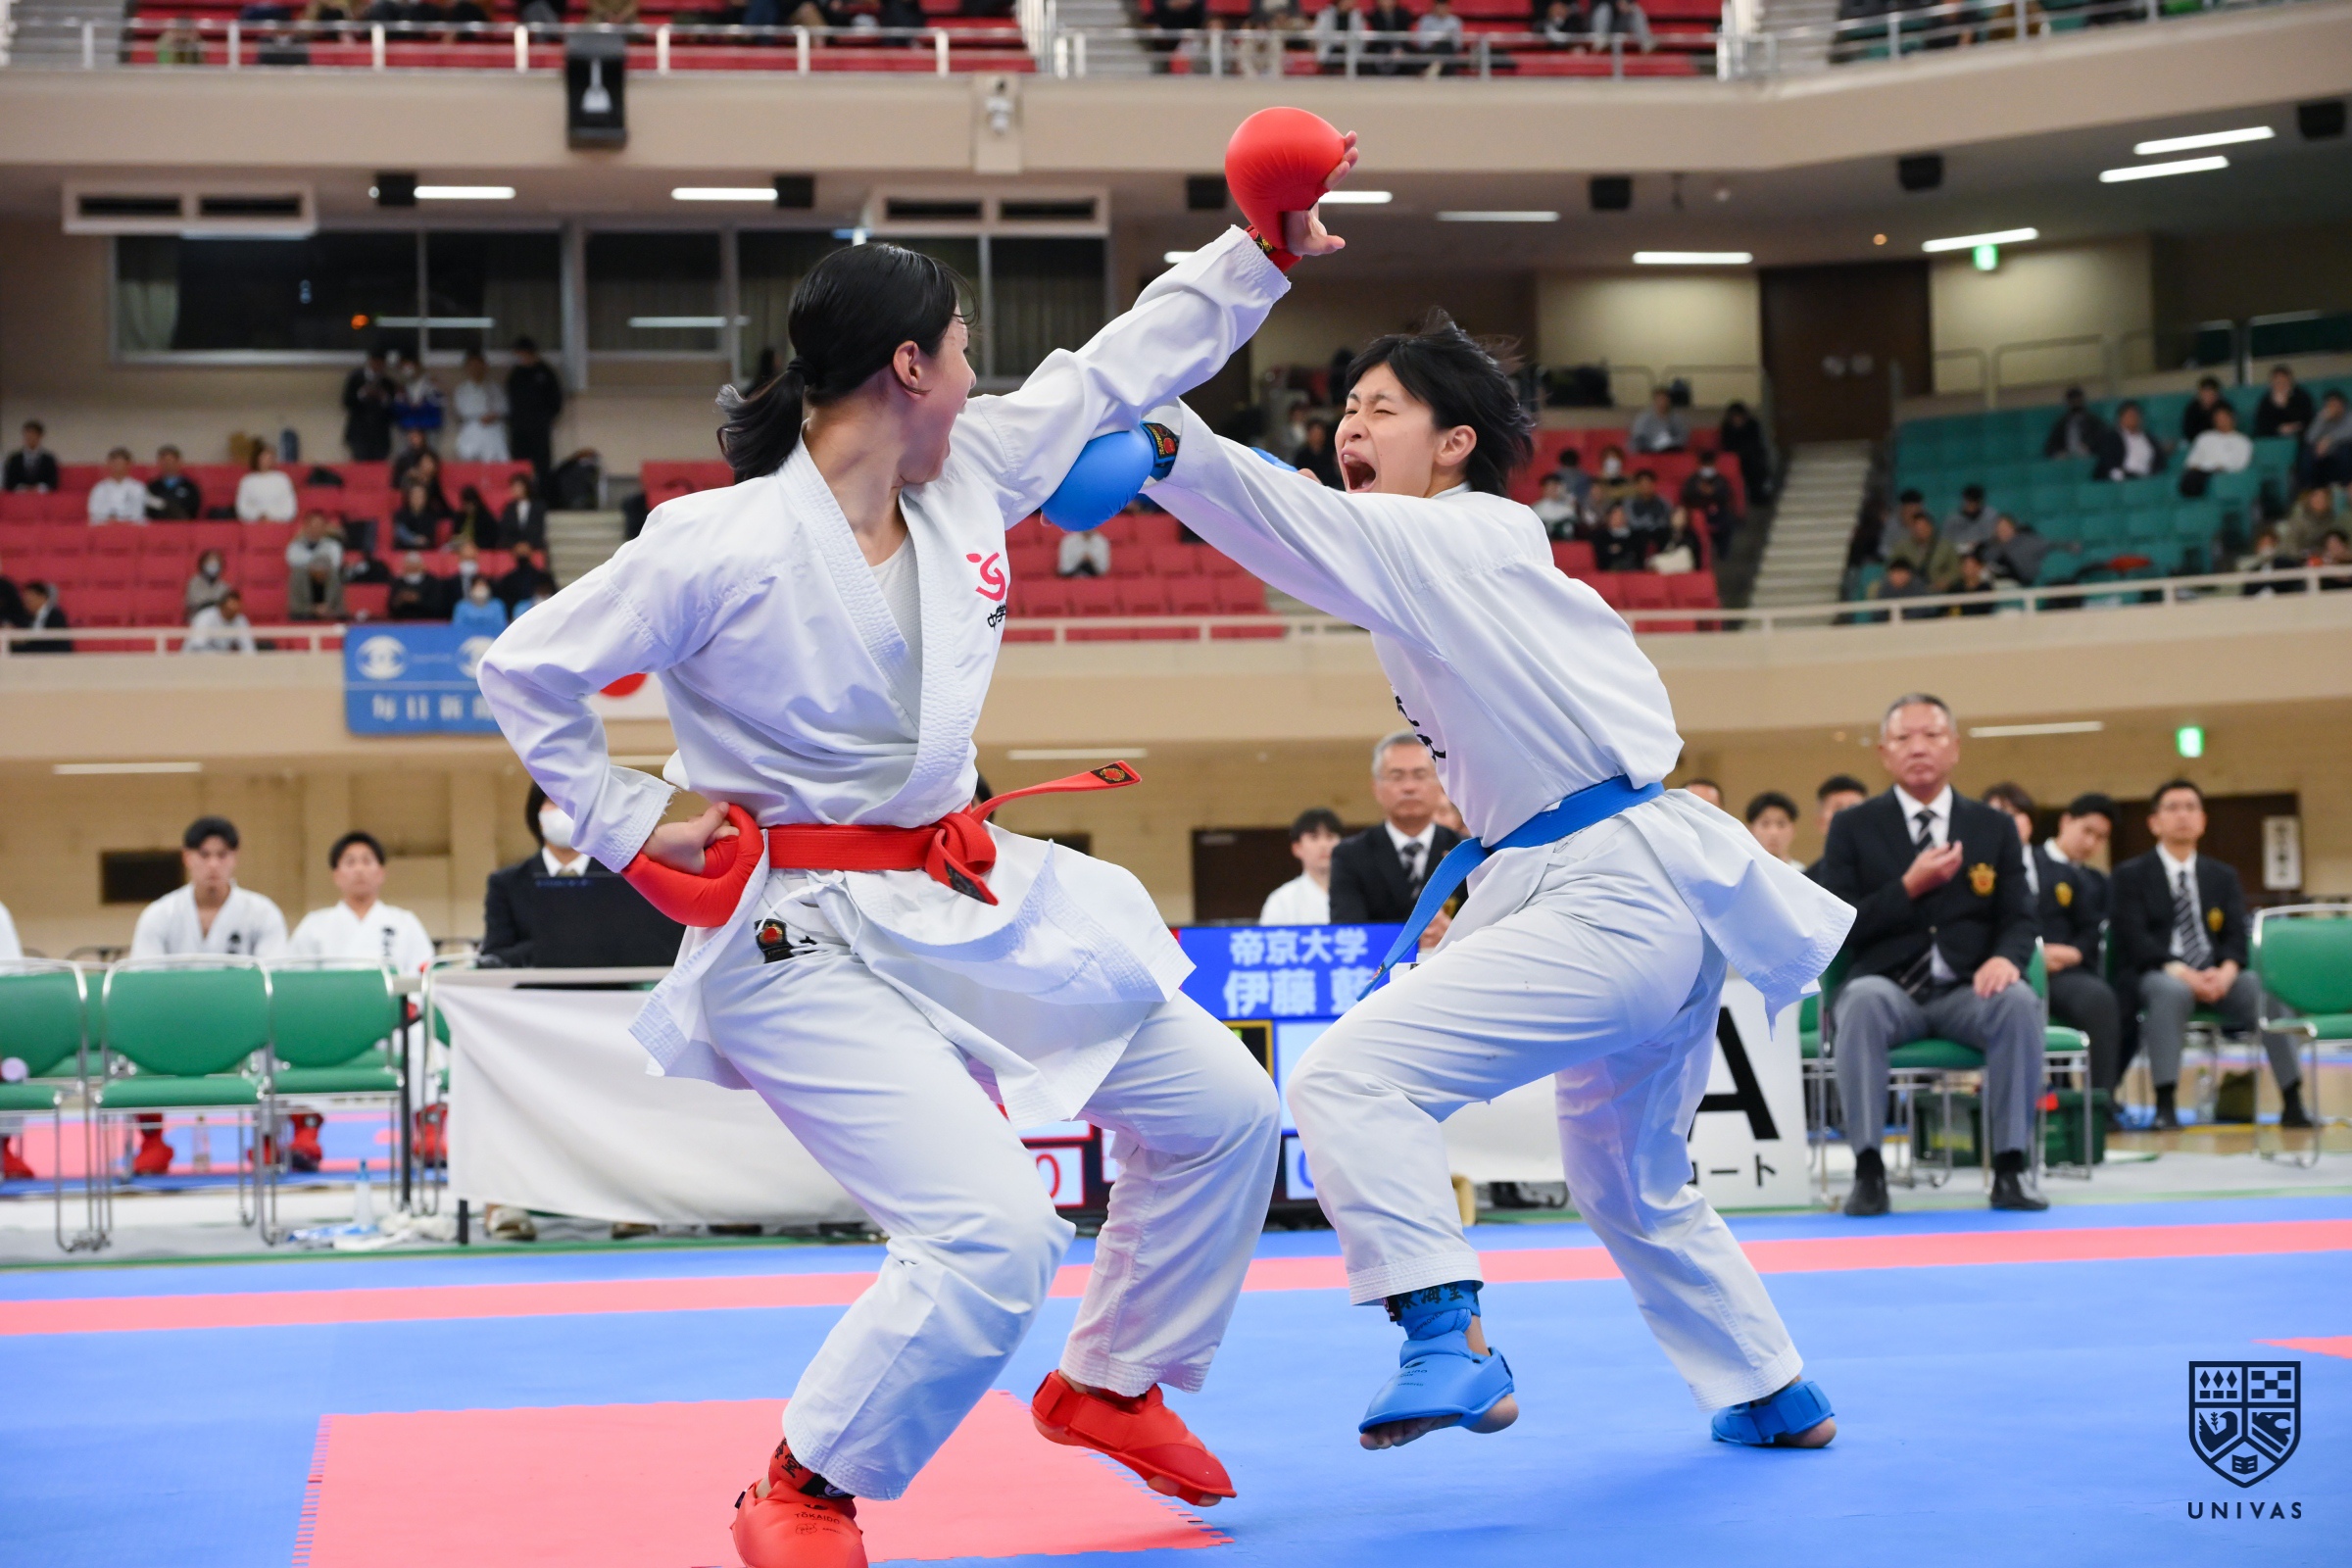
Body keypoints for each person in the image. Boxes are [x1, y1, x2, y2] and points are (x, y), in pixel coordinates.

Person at [475, 137, 1356, 1566]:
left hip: (954, 890)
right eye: (961, 351)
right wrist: (632, 822)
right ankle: (803, 1484)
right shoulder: (713, 542)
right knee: (996, 1233)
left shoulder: (966, 476)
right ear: (908, 367)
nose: (977, 374)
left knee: (1226, 1113)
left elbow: (1117, 367)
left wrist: (1256, 251)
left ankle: (1111, 1378)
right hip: (794, 928)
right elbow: (526, 671)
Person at [1142, 311, 1850, 1455]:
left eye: (1382, 408)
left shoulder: (1460, 536)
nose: (1350, 426)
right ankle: (1773, 1388)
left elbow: (1293, 522)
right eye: (1346, 409)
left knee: (1349, 1079)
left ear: (1456, 442)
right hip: (1624, 883)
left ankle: (1446, 1335)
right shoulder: (1451, 553)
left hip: (1608, 889)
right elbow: (1310, 528)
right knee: (1628, 1179)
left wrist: (1166, 446)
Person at [1810, 696, 2046, 1216]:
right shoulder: (1853, 827)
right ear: (1884, 752)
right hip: (1888, 986)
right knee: (1861, 1003)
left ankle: (2011, 1167)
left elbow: (2020, 916)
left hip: (1969, 988)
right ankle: (1868, 1171)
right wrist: (1908, 888)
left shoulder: (1993, 826)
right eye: (1904, 738)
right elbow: (1837, 921)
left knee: (2018, 1003)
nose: (1918, 748)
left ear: (1955, 747)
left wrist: (2007, 958)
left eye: (1932, 736)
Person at [2107, 780, 2310, 1131]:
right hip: (2159, 973)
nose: (2182, 815)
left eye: (2190, 807)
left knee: (2264, 993)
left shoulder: (2222, 875)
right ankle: (2166, 1104)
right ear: (2154, 822)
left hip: (2218, 976)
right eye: (2172, 808)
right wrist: (2184, 974)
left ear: (2202, 820)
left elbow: (2235, 935)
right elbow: (2134, 938)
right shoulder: (2130, 875)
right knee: (2170, 993)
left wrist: (2227, 972)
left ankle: (2293, 1101)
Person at [126, 814, 289, 1174]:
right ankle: (152, 1141)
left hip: (241, 1028)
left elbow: (272, 982)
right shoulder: (160, 914)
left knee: (277, 1047)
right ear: (187, 858)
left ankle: (267, 1140)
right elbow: (143, 985)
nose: (213, 864)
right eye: (204, 855)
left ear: (235, 858)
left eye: (222, 854)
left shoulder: (261, 913)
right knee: (132, 1049)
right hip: (173, 1027)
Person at [1987, 788, 2123, 1105]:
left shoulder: (2064, 872)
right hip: (2002, 969)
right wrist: (2027, 956)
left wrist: (2073, 952)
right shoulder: (1977, 873)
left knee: (2100, 998)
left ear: (2029, 823)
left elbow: (2090, 925)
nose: (2008, 823)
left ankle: (2100, 1104)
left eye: (2016, 816)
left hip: (2060, 972)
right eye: (1999, 816)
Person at [1328, 732, 1463, 941]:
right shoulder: (1350, 856)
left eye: (1419, 775)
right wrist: (1410, 940)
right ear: (1376, 788)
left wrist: (1453, 934)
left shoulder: (1466, 852)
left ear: (1440, 784)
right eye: (1397, 776)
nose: (1409, 787)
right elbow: (1347, 933)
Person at [289, 830, 435, 973]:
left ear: (381, 873)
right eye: (350, 862)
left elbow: (424, 973)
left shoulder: (405, 923)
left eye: (367, 861)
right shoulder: (314, 925)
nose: (359, 869)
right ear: (336, 875)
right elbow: (294, 974)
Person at [1259, 807, 1344, 924]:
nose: (1323, 845)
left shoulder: (1359, 893)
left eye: (1330, 837)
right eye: (1314, 837)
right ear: (1297, 848)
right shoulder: (1282, 900)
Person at [506, 337, 566, 484]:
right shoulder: (516, 374)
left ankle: (543, 492)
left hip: (539, 426)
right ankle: (521, 490)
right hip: (520, 427)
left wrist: (548, 417)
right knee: (519, 462)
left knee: (542, 463)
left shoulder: (545, 372)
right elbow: (511, 399)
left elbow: (556, 398)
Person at [452, 350, 512, 464]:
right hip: (472, 429)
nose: (476, 369)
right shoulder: (462, 390)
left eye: (479, 365)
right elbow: (460, 412)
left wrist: (493, 415)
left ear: (485, 367)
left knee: (495, 463)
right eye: (472, 366)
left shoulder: (495, 388)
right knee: (469, 463)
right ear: (467, 368)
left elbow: (504, 408)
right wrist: (478, 417)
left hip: (493, 430)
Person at [2180, 403, 2251, 495]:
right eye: (2217, 418)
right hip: (2201, 473)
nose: (2220, 421)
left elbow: (2241, 464)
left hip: (2224, 475)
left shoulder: (2242, 441)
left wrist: (2224, 468)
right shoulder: (2204, 437)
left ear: (2232, 419)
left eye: (2223, 418)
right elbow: (2192, 461)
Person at [343, 347, 398, 463]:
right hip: (358, 433)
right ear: (370, 361)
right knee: (360, 467)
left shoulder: (388, 383)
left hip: (380, 436)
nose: (378, 366)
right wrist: (362, 394)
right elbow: (346, 402)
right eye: (376, 362)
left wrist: (383, 398)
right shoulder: (356, 378)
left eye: (381, 364)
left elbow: (393, 410)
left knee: (378, 468)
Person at [1679, 449, 1741, 549]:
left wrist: (1713, 493)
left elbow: (1726, 496)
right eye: (1705, 465)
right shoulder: (1692, 480)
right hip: (1698, 511)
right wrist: (1700, 492)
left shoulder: (1720, 480)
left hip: (1718, 511)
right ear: (1699, 465)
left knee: (1728, 520)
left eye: (1710, 465)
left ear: (1714, 465)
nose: (1707, 468)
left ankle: (1723, 552)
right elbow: (1686, 496)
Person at [1888, 508, 1960, 592]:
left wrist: (1945, 581)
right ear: (1911, 529)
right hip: (1908, 590)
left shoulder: (1946, 546)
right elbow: (1892, 567)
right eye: (1917, 528)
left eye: (1923, 527)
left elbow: (1955, 569)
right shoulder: (1901, 547)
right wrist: (1901, 578)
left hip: (1938, 591)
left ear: (1931, 527)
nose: (1920, 531)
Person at [2091, 400, 2163, 482]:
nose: (2133, 418)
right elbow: (2108, 463)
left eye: (2135, 415)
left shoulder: (2149, 438)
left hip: (2147, 479)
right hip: (2122, 480)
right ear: (2120, 419)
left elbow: (2159, 460)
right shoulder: (2112, 438)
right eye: (2129, 415)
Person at [1716, 401, 1771, 505]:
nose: (1737, 419)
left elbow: (1756, 442)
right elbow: (1727, 445)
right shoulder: (1727, 427)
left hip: (1752, 456)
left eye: (1739, 416)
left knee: (1756, 465)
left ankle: (1758, 496)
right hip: (1735, 456)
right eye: (1734, 416)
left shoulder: (1752, 424)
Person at [2299, 388, 2352, 490]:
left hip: (2343, 451)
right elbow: (2309, 438)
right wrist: (2321, 419)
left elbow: (2349, 432)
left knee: (2345, 450)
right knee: (2307, 451)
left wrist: (2329, 439)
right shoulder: (2322, 417)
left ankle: (2346, 488)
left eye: (2336, 404)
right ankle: (2309, 489)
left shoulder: (2349, 416)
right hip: (2323, 454)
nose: (2333, 408)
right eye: (2330, 405)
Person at [236, 445, 298, 523]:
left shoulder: (283, 479)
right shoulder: (247, 481)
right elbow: (242, 507)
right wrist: (259, 516)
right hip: (253, 524)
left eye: (270, 457)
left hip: (279, 523)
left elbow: (290, 506)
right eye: (263, 457)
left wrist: (273, 518)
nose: (266, 460)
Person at [2041, 386, 2107, 461]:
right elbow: (2050, 446)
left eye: (2078, 401)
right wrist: (2059, 453)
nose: (2076, 403)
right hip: (2067, 459)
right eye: (2073, 401)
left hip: (2089, 457)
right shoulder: (2062, 424)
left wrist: (2089, 447)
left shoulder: (2094, 422)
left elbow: (2104, 439)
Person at [1984, 512, 2048, 587]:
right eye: (2000, 528)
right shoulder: (1991, 550)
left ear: (2013, 528)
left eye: (2006, 527)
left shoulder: (2027, 541)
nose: (2003, 531)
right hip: (1998, 584)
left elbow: (2047, 545)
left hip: (2024, 584)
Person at [185, 588, 258, 654]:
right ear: (222, 605)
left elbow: (249, 648)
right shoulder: (205, 617)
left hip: (221, 661)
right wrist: (222, 657)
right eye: (230, 608)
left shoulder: (239, 619)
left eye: (236, 609)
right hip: (192, 659)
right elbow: (197, 646)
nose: (233, 611)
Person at [2252, 364, 2312, 441]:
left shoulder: (2301, 397)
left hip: (2299, 438)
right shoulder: (2266, 401)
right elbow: (2261, 426)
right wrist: (2279, 429)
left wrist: (2285, 405)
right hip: (2274, 439)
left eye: (2284, 382)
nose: (2281, 386)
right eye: (2278, 382)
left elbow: (2308, 421)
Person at [87, 448, 148, 523]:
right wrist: (111, 520)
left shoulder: (138, 487)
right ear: (108, 464)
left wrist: (123, 521)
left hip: (131, 527)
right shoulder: (100, 488)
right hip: (105, 527)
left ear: (128, 465)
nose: (117, 467)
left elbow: (139, 513)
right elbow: (94, 513)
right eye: (114, 464)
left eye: (120, 464)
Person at [1744, 791, 1802, 867]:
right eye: (1765, 823)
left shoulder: (1802, 873)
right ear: (1751, 830)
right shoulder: (1743, 870)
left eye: (1781, 824)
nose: (1773, 832)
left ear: (1793, 830)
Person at [387, 551, 451, 619]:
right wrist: (400, 599)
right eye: (409, 565)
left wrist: (418, 600)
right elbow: (392, 608)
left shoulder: (433, 582)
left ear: (422, 565)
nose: (412, 568)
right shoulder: (398, 583)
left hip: (428, 620)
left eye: (414, 565)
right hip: (403, 620)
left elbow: (438, 606)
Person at [1589, 499, 1648, 572]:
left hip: (1632, 570)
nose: (1619, 518)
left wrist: (1618, 549)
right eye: (1615, 514)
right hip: (1609, 571)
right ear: (1608, 517)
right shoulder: (1600, 535)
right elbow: (1601, 554)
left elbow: (1637, 553)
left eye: (1622, 514)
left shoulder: (1636, 535)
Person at [391, 476, 450, 551]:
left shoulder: (431, 515)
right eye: (414, 496)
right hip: (404, 549)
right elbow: (400, 533)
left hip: (425, 549)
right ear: (409, 497)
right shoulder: (400, 515)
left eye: (420, 496)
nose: (417, 499)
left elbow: (428, 537)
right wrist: (413, 539)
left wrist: (420, 540)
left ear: (425, 498)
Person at [497, 542, 558, 611]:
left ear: (531, 552)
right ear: (513, 553)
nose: (522, 552)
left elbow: (553, 597)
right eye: (519, 550)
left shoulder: (543, 577)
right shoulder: (508, 580)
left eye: (524, 550)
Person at [147, 446, 202, 520]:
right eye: (164, 462)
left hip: (182, 524)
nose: (168, 465)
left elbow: (193, 509)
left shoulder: (190, 486)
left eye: (170, 461)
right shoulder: (152, 486)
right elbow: (148, 509)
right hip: (158, 524)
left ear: (179, 462)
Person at [4, 420, 60, 492]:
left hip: (42, 497)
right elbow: (8, 482)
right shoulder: (14, 459)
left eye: (33, 434)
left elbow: (53, 483)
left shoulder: (49, 459)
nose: (30, 437)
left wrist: (39, 488)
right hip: (19, 497)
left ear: (40, 436)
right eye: (27, 434)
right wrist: (24, 488)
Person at [497, 472, 547, 552]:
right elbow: (505, 530)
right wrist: (516, 545)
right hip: (513, 547)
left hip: (533, 546)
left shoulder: (538, 507)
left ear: (526, 487)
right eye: (513, 487)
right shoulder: (509, 508)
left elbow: (539, 528)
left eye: (518, 486)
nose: (515, 489)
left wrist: (528, 545)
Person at [17, 581, 71, 654]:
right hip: (35, 653)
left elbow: (54, 643)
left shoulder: (55, 616)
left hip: (52, 655)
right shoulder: (28, 617)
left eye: (29, 601)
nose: (26, 604)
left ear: (42, 597)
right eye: (25, 601)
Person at [1629, 387, 1687, 454]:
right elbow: (1637, 437)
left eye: (1664, 399)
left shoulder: (1676, 418)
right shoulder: (1644, 418)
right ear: (1654, 401)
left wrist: (1670, 443)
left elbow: (1683, 437)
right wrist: (1652, 445)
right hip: (1648, 451)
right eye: (1659, 399)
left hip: (1670, 451)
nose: (1662, 402)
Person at [1942, 484, 1997, 552]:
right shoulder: (1953, 519)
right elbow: (1945, 542)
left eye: (1975, 502)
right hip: (1959, 552)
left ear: (1980, 502)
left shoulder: (1990, 515)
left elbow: (1994, 539)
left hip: (1984, 551)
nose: (1971, 505)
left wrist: (1978, 544)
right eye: (1969, 502)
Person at [2179, 376, 2230, 444]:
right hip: (2199, 443)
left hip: (2222, 442)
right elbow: (2189, 432)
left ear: (2217, 394)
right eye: (2205, 393)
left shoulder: (2224, 408)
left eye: (2211, 393)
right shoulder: (2192, 409)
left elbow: (2229, 429)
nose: (2207, 397)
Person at [185, 549, 233, 620]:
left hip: (219, 622)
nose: (213, 565)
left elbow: (227, 607)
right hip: (198, 620)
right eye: (210, 562)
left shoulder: (225, 587)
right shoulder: (194, 583)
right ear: (202, 564)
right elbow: (194, 604)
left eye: (216, 562)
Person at [1295, 416, 1342, 488]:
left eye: (1320, 433)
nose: (1317, 436)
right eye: (1314, 433)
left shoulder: (1331, 452)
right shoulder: (1301, 455)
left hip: (1331, 487)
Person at [1948, 548, 1997, 613]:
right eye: (1965, 566)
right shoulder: (1955, 589)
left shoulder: (1986, 589)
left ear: (1979, 567)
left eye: (1972, 566)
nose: (1968, 569)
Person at [1531, 472, 1580, 538]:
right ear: (1543, 488)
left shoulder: (1568, 508)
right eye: (1550, 486)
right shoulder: (1536, 509)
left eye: (1556, 486)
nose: (1554, 490)